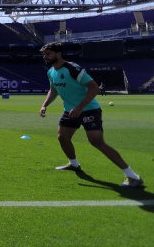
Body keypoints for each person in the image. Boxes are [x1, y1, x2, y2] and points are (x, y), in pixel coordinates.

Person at [39, 42, 143, 187]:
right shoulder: (50, 72)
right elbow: (53, 90)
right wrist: (45, 105)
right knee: (62, 137)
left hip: (88, 109)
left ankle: (133, 176)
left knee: (96, 142)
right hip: (70, 110)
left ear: (58, 54)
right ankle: (74, 164)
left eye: (48, 54)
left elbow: (94, 88)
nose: (45, 56)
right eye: (44, 54)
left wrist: (80, 107)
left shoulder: (73, 69)